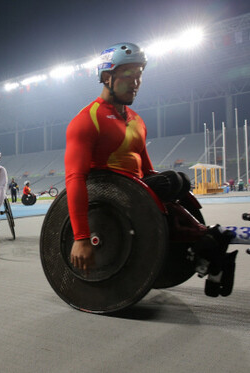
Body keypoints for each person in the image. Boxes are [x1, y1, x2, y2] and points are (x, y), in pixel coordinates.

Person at [65, 42, 236, 295]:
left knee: (177, 181)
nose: (135, 82)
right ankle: (199, 243)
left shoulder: (137, 121)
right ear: (106, 77)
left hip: (137, 190)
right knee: (168, 183)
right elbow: (75, 178)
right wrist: (80, 237)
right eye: (128, 75)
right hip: (108, 195)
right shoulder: (86, 120)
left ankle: (201, 241)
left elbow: (147, 169)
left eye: (139, 75)